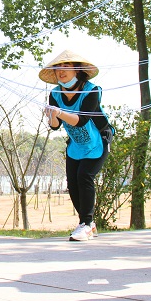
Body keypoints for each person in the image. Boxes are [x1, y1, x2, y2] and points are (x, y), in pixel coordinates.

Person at [39, 50, 112, 242]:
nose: (61, 71)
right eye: (58, 68)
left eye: (66, 67)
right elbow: (55, 127)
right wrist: (52, 115)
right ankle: (87, 223)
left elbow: (81, 120)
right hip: (76, 144)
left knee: (84, 177)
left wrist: (59, 113)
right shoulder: (55, 94)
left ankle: (86, 224)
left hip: (97, 141)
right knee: (72, 183)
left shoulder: (92, 90)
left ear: (77, 70)